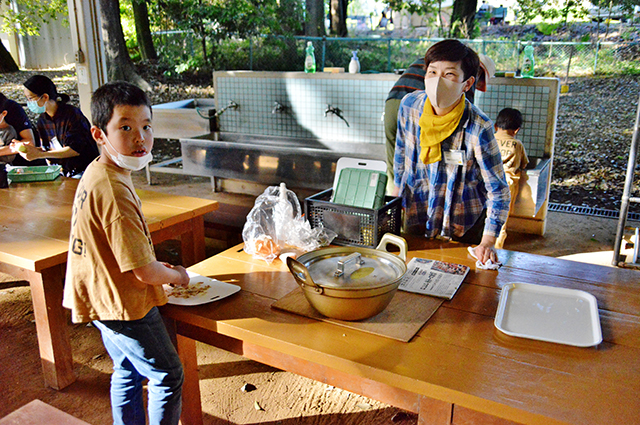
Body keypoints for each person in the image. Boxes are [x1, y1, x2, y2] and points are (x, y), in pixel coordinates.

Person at [62, 81, 189, 425]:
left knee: (128, 368)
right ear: (98, 134)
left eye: (146, 126)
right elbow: (144, 273)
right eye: (126, 128)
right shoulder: (114, 190)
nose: (140, 139)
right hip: (123, 303)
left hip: (98, 291)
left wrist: (149, 263)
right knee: (167, 374)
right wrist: (177, 275)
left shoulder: (99, 171)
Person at [391, 39, 510, 265]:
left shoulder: (479, 127)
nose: (437, 81)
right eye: (432, 72)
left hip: (462, 223)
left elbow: (498, 190)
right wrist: (397, 199)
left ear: (467, 83)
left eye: (449, 75)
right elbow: (401, 153)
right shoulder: (409, 106)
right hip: (418, 211)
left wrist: (487, 241)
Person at [384, 52, 495, 192]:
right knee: (423, 156)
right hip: (418, 108)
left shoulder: (437, 58)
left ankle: (393, 198)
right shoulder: (465, 71)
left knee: (397, 155)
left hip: (392, 100)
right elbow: (463, 111)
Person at [15, 75, 99, 177]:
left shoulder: (72, 114)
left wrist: (40, 155)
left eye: (30, 98)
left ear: (45, 97)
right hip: (60, 171)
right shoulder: (42, 120)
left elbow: (75, 149)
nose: (29, 103)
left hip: (83, 171)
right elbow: (48, 150)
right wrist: (31, 150)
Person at [493, 108, 529, 249]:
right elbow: (524, 163)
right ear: (516, 130)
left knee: (488, 216)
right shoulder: (517, 144)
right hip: (508, 185)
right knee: (501, 221)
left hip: (488, 183)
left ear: (496, 126)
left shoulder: (489, 140)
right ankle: (497, 250)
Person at [0, 92, 43, 165]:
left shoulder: (12, 109)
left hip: (19, 162)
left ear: (4, 114)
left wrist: (15, 148)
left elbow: (29, 143)